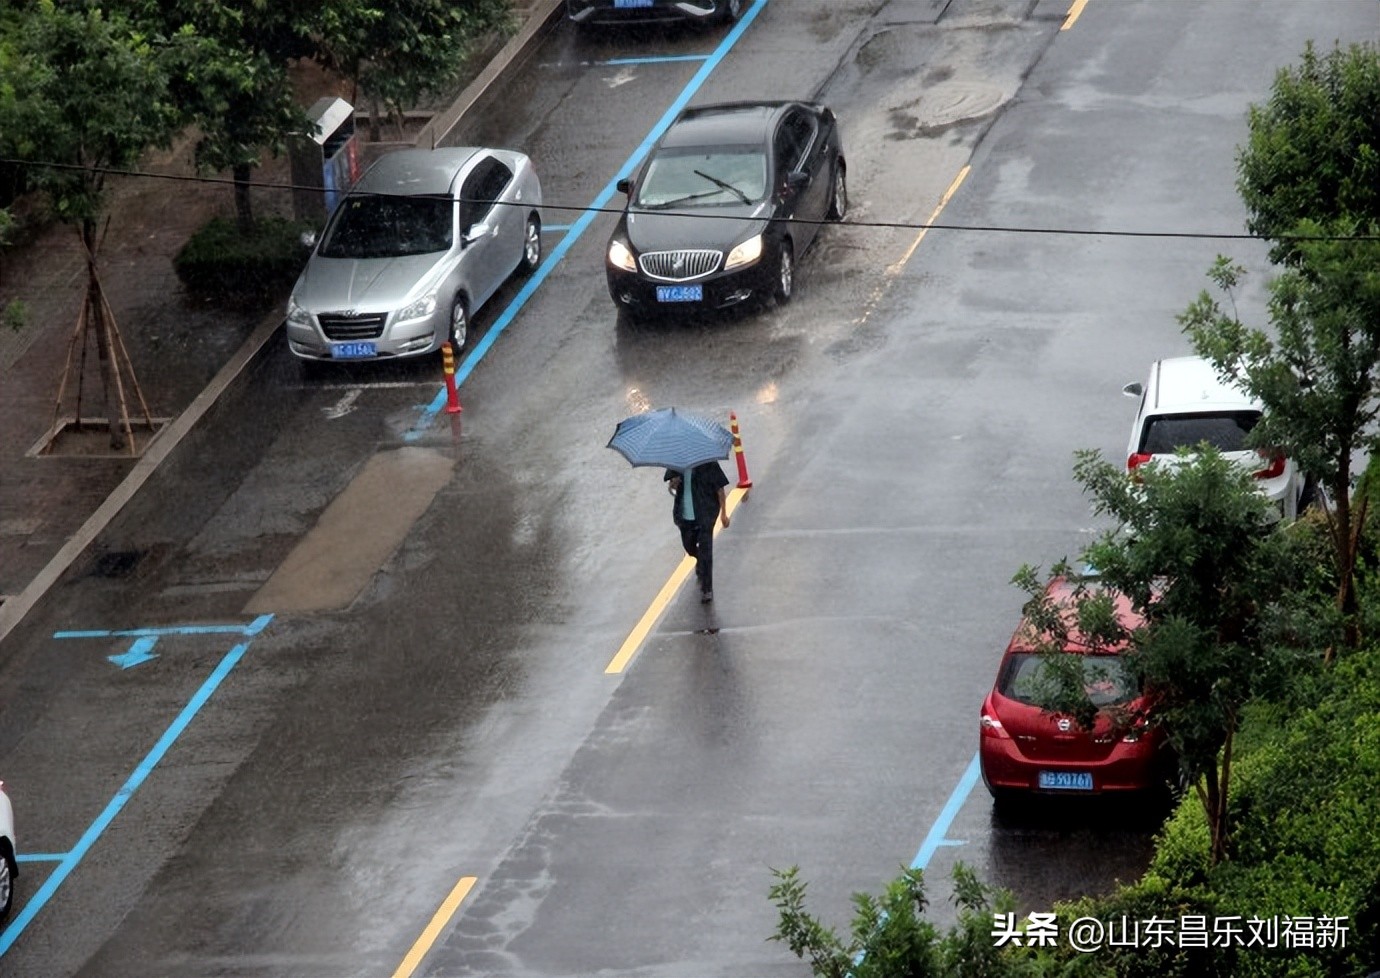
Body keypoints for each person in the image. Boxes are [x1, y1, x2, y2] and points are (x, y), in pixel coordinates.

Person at [664, 461, 730, 602]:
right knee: (689, 546)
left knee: (706, 551)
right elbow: (671, 487)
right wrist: (673, 485)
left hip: (705, 514)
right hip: (685, 516)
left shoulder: (709, 463)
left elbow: (720, 489)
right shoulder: (677, 463)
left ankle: (707, 589)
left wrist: (724, 513)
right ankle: (700, 561)